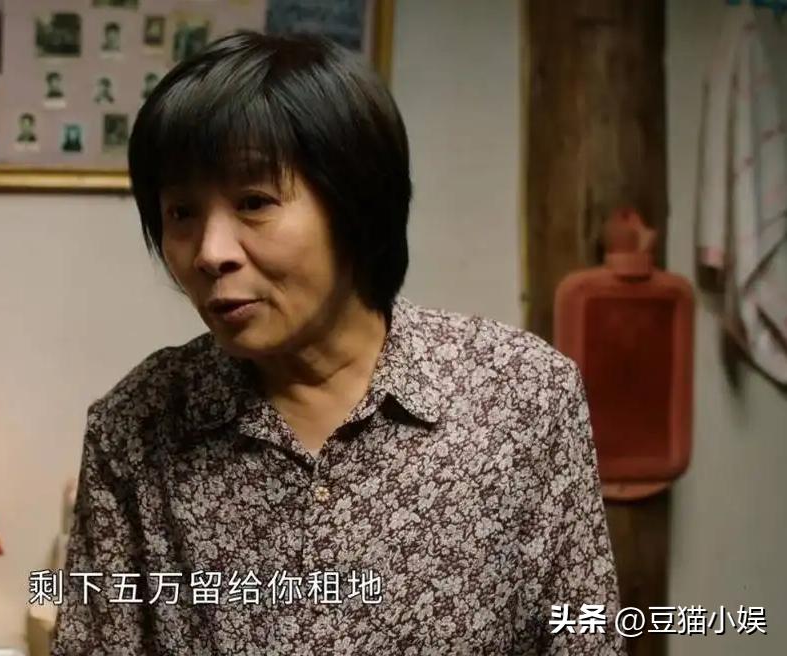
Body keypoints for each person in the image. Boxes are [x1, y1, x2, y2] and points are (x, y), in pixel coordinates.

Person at [49, 31, 625, 655]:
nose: (211, 252)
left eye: (254, 202)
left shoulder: (521, 395)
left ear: (357, 206)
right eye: (181, 213)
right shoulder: (135, 425)